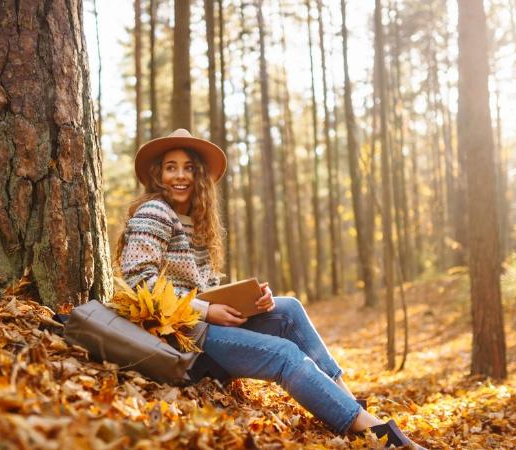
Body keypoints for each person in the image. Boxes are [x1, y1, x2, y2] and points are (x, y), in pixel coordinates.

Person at [114, 129, 427, 449]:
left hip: (204, 325)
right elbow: (140, 281)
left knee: (288, 308)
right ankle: (374, 431)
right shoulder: (154, 212)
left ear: (200, 175)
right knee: (285, 355)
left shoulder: (195, 219)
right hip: (181, 338)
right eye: (171, 167)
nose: (180, 175)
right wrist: (208, 311)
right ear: (158, 174)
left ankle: (348, 402)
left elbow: (200, 287)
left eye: (189, 167)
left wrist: (249, 302)